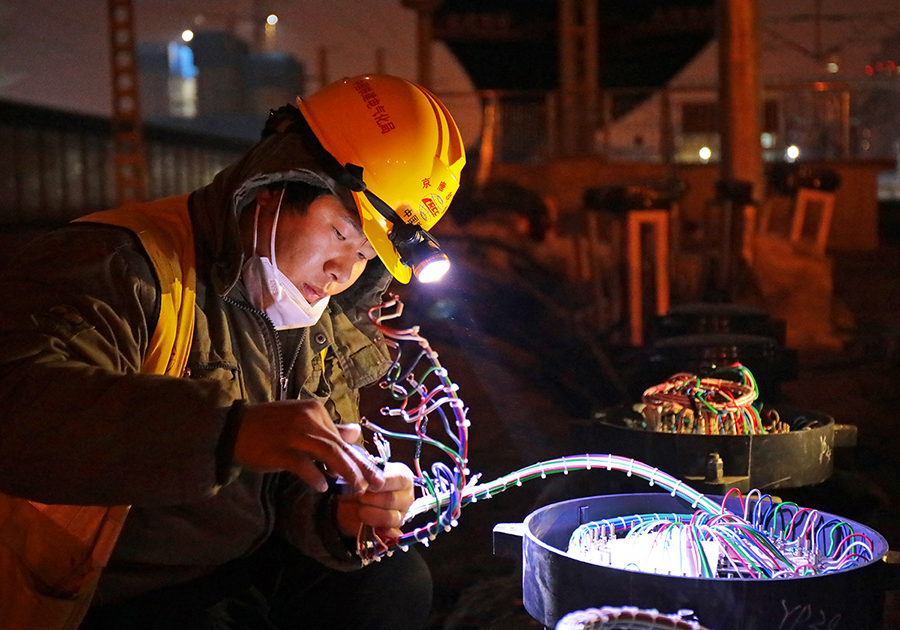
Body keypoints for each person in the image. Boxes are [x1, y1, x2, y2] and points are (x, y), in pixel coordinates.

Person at [0, 74, 466, 629]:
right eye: (342, 233)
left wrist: (336, 515)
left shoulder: (311, 311)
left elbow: (289, 489)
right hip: (114, 590)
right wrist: (226, 430)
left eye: (367, 253)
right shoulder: (118, 267)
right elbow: (18, 403)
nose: (344, 272)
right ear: (279, 183)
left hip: (239, 566)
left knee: (388, 587)